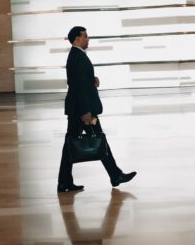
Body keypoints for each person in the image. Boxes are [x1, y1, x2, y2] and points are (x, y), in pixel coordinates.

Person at [57, 26, 136, 192]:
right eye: (85, 36)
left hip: (77, 108)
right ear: (77, 39)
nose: (88, 39)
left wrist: (92, 79)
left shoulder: (77, 55)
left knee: (71, 143)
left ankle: (64, 181)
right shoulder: (77, 57)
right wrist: (86, 112)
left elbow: (80, 80)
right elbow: (77, 86)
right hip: (82, 110)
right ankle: (115, 175)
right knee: (98, 140)